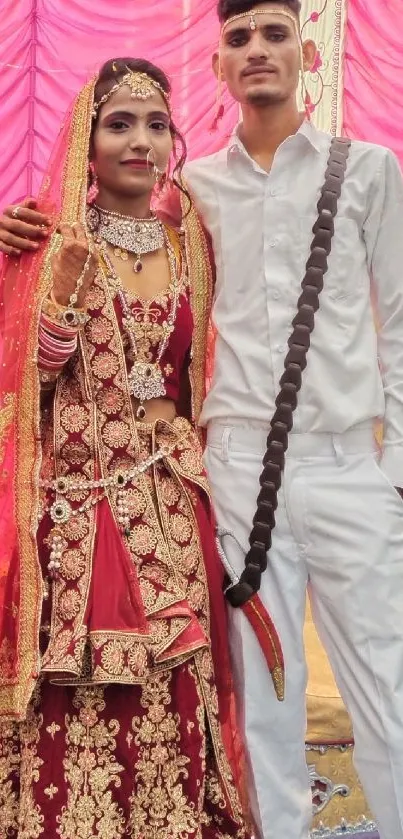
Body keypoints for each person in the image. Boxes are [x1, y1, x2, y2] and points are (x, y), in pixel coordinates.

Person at [4, 5, 403, 839]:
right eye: (237, 38)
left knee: (387, 691)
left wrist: (392, 468)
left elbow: (398, 320)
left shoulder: (365, 169)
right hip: (229, 476)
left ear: (307, 48)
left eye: (273, 33)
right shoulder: (193, 196)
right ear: (217, 66)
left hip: (340, 469)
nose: (256, 50)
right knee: (259, 707)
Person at [0, 57, 251, 839]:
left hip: (173, 508)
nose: (139, 142)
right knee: (84, 693)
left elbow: (196, 372)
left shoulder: (194, 244)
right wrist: (54, 314)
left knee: (178, 689)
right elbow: (21, 384)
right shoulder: (42, 239)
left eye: (155, 125)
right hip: (76, 512)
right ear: (87, 138)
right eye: (119, 123)